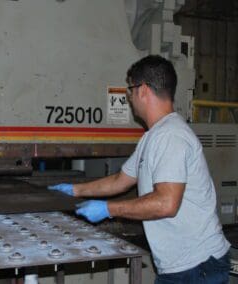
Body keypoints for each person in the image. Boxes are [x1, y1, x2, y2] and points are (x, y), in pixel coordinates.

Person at [48, 55, 231, 283]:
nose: (129, 98)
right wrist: (75, 190)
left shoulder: (171, 136)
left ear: (143, 90)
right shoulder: (152, 137)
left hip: (197, 267)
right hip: (181, 266)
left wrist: (109, 209)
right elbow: (120, 180)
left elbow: (166, 203)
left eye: (130, 90)